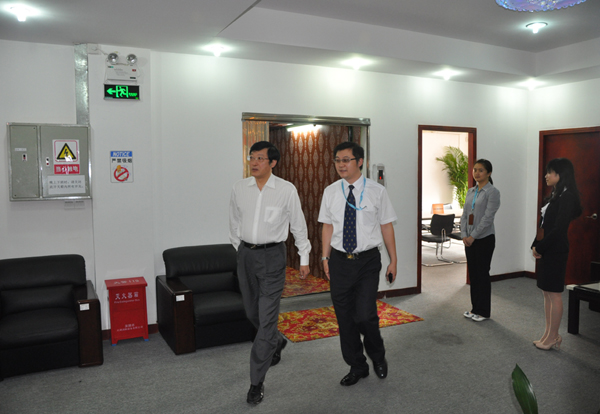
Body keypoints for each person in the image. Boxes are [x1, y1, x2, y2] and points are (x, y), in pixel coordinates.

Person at [229, 141, 311, 404]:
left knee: (265, 320)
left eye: (260, 158)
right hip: (246, 256)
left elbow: (298, 225)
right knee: (251, 313)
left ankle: (256, 381)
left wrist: (304, 258)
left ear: (273, 163)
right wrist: (240, 250)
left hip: (273, 257)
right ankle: (277, 340)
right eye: (251, 157)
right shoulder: (239, 188)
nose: (254, 162)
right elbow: (234, 222)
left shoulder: (286, 190)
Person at [318, 141, 398, 387]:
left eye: (346, 160)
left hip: (367, 261)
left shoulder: (377, 191)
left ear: (360, 161)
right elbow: (327, 226)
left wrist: (393, 260)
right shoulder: (331, 191)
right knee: (344, 318)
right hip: (340, 261)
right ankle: (357, 366)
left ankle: (377, 356)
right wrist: (325, 257)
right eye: (337, 160)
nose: (341, 165)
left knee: (365, 315)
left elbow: (386, 226)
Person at [531, 158, 582, 351]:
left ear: (560, 174)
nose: (546, 176)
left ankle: (553, 336)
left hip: (556, 250)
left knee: (554, 294)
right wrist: (535, 244)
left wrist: (541, 247)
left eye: (549, 172)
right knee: (546, 292)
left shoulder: (567, 197)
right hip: (547, 248)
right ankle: (548, 333)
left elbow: (559, 229)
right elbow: (544, 225)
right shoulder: (555, 194)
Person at [460, 159, 501, 322]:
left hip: (484, 239)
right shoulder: (471, 191)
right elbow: (464, 215)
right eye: (475, 170)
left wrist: (473, 236)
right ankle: (475, 308)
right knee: (473, 274)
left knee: (482, 274)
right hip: (469, 239)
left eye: (481, 170)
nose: (477, 173)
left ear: (489, 173)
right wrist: (464, 234)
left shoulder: (493, 192)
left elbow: (488, 218)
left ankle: (483, 311)